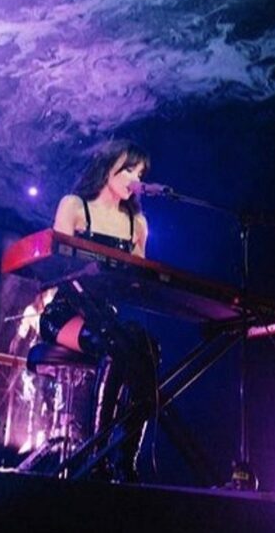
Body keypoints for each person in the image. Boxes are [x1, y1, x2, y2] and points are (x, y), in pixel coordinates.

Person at [38, 139, 159, 482]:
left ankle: (125, 460)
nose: (135, 180)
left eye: (140, 174)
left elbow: (137, 283)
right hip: (66, 313)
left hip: (107, 316)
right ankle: (97, 458)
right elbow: (56, 268)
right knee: (114, 343)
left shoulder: (137, 223)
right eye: (129, 170)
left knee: (149, 347)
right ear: (108, 168)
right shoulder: (74, 206)